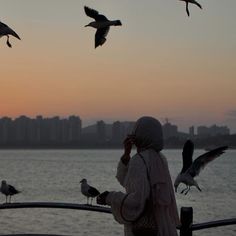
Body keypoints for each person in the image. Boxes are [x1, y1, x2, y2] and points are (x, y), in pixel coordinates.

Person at [97, 116, 180, 236]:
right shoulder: (159, 158)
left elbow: (137, 200)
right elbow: (131, 182)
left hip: (146, 228)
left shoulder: (139, 160)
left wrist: (109, 197)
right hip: (164, 225)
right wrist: (127, 155)